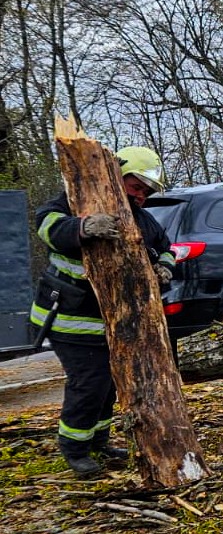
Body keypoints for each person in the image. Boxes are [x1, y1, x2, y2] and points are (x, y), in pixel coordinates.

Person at [30, 146, 175, 477]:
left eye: (146, 192)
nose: (140, 196)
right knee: (90, 382)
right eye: (136, 187)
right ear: (116, 175)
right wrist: (83, 227)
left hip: (107, 323)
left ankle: (98, 441)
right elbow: (47, 225)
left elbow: (168, 249)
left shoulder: (142, 219)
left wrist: (165, 267)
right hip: (66, 318)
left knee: (108, 385)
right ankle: (75, 449)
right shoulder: (73, 202)